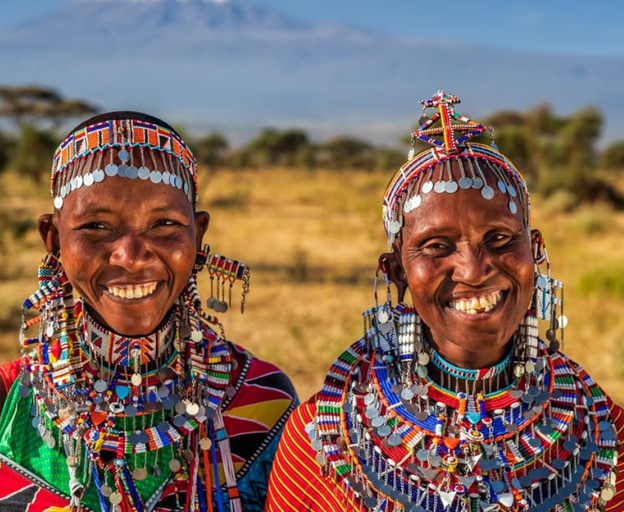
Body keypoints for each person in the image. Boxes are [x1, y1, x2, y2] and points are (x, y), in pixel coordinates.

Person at [266, 91, 624, 512]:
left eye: (500, 239)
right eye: (436, 246)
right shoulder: (324, 438)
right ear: (397, 272)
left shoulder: (601, 433)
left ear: (536, 251)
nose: (473, 270)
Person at [0, 111, 298, 512]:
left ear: (199, 235)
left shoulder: (260, 402)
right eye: (96, 227)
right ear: (53, 240)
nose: (131, 256)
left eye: (164, 223)